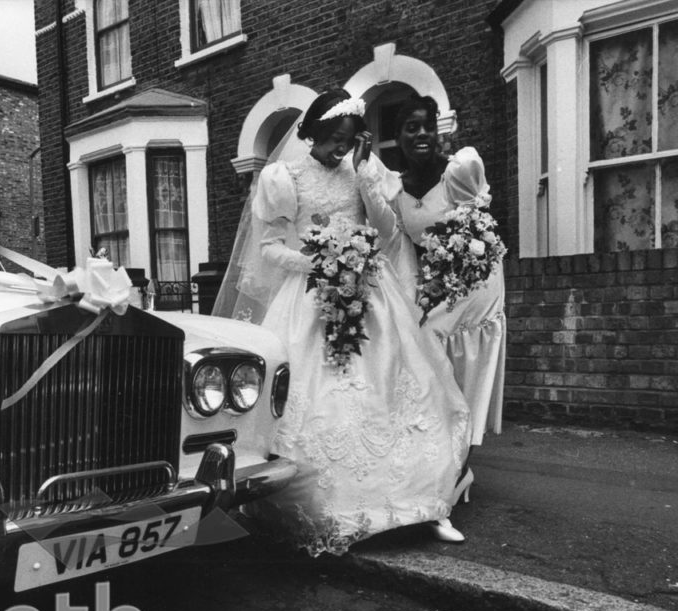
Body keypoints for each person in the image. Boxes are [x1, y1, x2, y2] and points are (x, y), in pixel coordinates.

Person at [214, 89, 472, 554]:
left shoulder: (361, 172)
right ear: (311, 133)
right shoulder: (283, 177)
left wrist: (367, 171)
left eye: (348, 139)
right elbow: (270, 248)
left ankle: (424, 504)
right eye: (333, 138)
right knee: (321, 399)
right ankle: (340, 505)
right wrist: (320, 264)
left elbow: (388, 232)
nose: (339, 148)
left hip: (372, 292)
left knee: (398, 391)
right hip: (312, 294)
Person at [375, 94, 506, 487]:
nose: (421, 135)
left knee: (458, 366)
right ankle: (438, 458)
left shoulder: (458, 172)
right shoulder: (396, 191)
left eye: (427, 126)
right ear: (398, 138)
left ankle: (460, 465)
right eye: (410, 128)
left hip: (476, 280)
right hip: (436, 286)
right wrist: (419, 292)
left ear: (438, 130)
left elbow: (481, 231)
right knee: (421, 351)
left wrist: (447, 279)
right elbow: (406, 251)